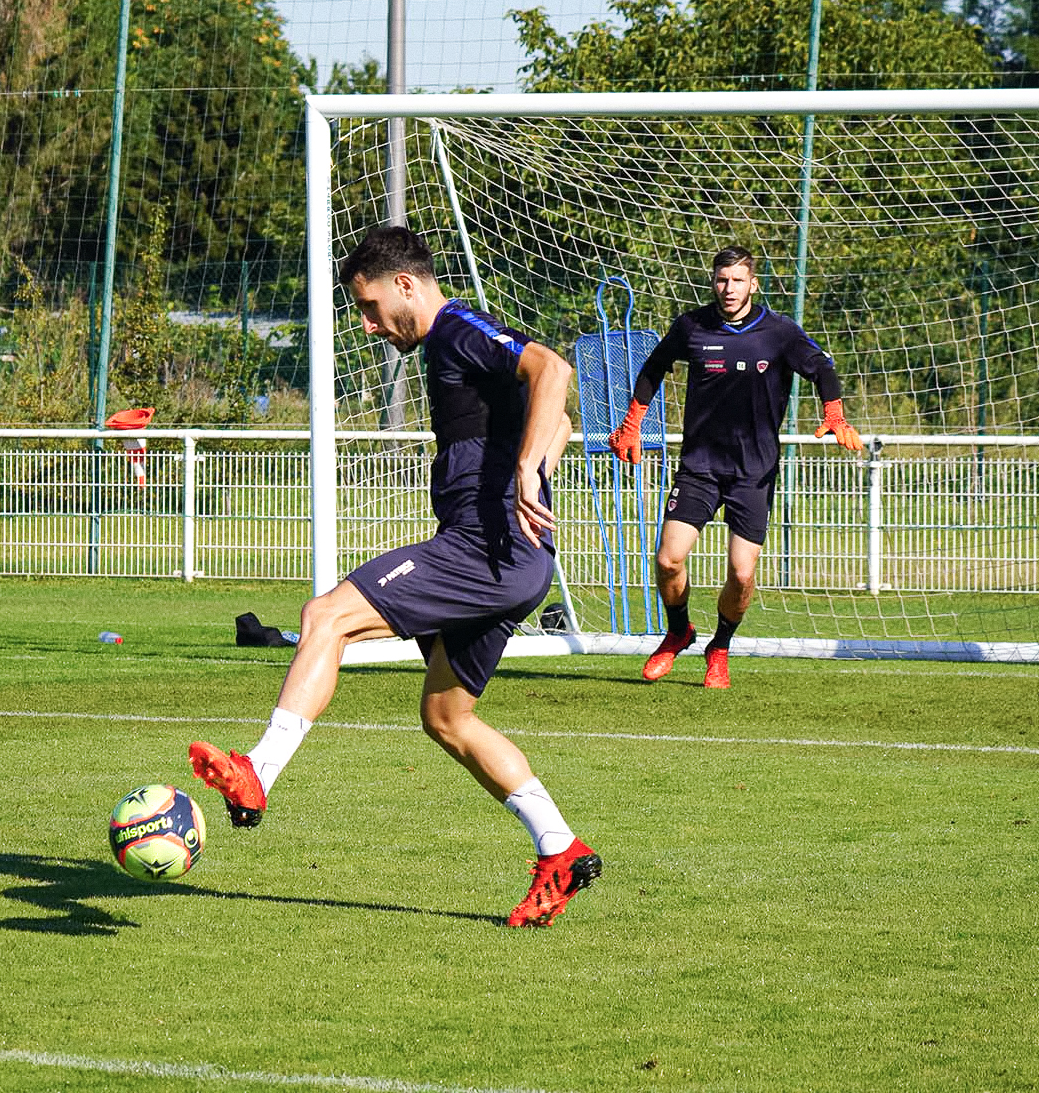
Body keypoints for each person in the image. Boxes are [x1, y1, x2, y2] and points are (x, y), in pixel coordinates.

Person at [188, 225, 601, 927]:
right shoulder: (463, 343)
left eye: (372, 305)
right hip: (512, 559)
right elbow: (557, 418)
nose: (370, 323)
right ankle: (560, 848)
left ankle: (258, 770)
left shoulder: (455, 329)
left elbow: (555, 373)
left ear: (406, 284)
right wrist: (534, 463)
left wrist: (525, 474)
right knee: (447, 716)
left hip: (484, 550)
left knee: (327, 617)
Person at [607, 245, 862, 689]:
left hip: (753, 472)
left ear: (753, 284)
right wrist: (632, 423)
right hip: (700, 466)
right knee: (668, 560)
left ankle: (719, 647)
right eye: (722, 280)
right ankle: (679, 630)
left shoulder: (779, 333)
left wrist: (834, 414)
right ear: (713, 282)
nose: (729, 288)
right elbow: (654, 367)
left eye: (738, 280)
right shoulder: (692, 326)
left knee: (742, 574)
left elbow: (821, 367)